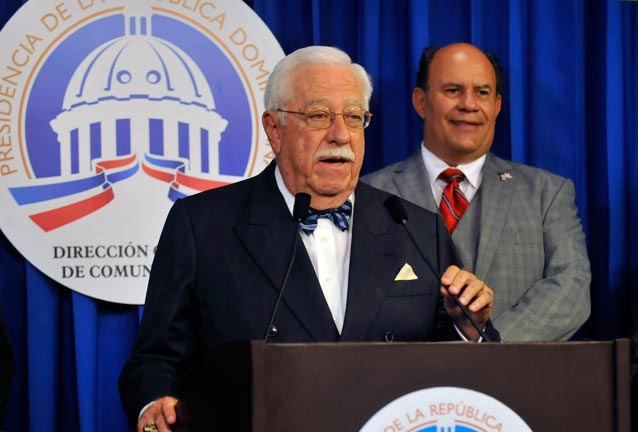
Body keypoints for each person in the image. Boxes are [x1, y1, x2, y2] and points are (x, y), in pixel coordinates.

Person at [119, 45, 499, 432]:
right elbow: (156, 360)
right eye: (318, 116)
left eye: (354, 117)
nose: (340, 135)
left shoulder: (415, 227)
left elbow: (463, 369)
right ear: (274, 129)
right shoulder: (202, 225)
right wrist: (155, 403)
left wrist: (467, 329)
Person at [362, 43, 590, 342]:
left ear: (497, 105)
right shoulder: (369, 193)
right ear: (420, 102)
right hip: (402, 382)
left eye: (482, 92)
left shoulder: (547, 194)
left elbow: (571, 291)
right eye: (453, 90)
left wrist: (486, 343)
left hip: (513, 382)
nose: (469, 104)